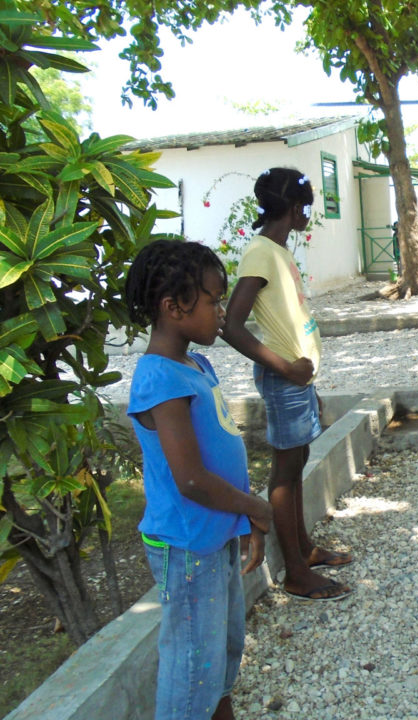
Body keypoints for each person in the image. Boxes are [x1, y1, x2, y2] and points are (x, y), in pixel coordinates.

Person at [124, 240, 274, 720]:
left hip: (214, 536)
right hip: (189, 547)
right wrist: (255, 507)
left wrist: (242, 519)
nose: (222, 311)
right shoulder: (160, 379)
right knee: (192, 669)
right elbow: (189, 480)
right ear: (173, 307)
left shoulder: (195, 365)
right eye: (213, 300)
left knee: (220, 652)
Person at [222, 167, 352, 602]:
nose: (307, 217)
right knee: (284, 470)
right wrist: (284, 368)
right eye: (306, 209)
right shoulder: (261, 252)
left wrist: (303, 372)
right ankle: (295, 571)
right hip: (285, 378)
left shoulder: (275, 249)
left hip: (296, 377)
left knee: (297, 463)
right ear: (296, 209)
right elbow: (231, 325)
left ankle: (304, 550)